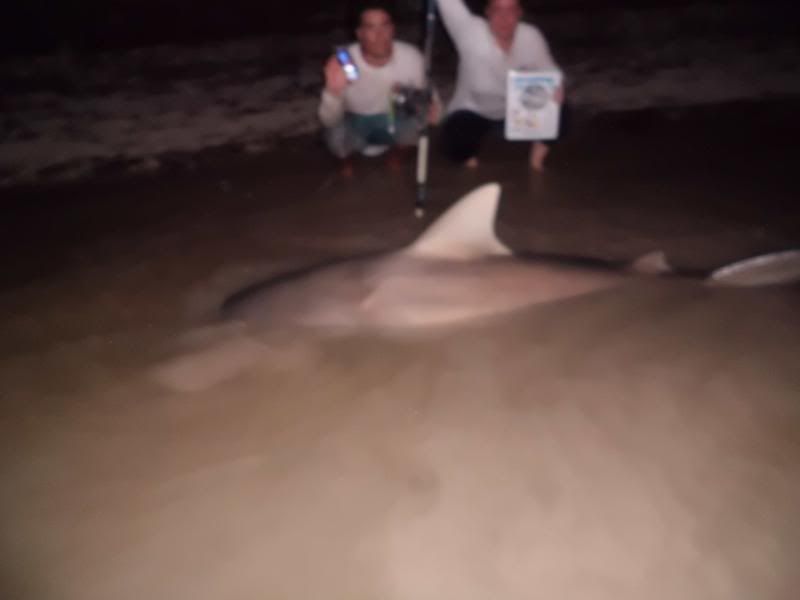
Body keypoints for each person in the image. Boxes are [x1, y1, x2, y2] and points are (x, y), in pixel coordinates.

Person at [437, 0, 565, 171]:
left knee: (561, 112)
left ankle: (536, 159)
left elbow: (551, 72)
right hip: (474, 111)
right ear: (488, 12)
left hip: (517, 114)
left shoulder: (530, 36)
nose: (504, 18)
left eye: (511, 11)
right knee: (454, 141)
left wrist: (558, 87)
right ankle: (469, 159)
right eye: (497, 11)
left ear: (519, 13)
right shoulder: (471, 32)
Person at [318, 1, 436, 172]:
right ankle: (346, 164)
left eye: (384, 26)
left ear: (392, 29)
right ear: (359, 33)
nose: (380, 35)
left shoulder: (411, 57)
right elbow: (328, 120)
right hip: (355, 121)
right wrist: (332, 92)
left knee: (420, 120)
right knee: (334, 132)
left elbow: (430, 99)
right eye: (371, 28)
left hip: (391, 117)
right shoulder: (344, 61)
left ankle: (396, 158)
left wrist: (429, 107)